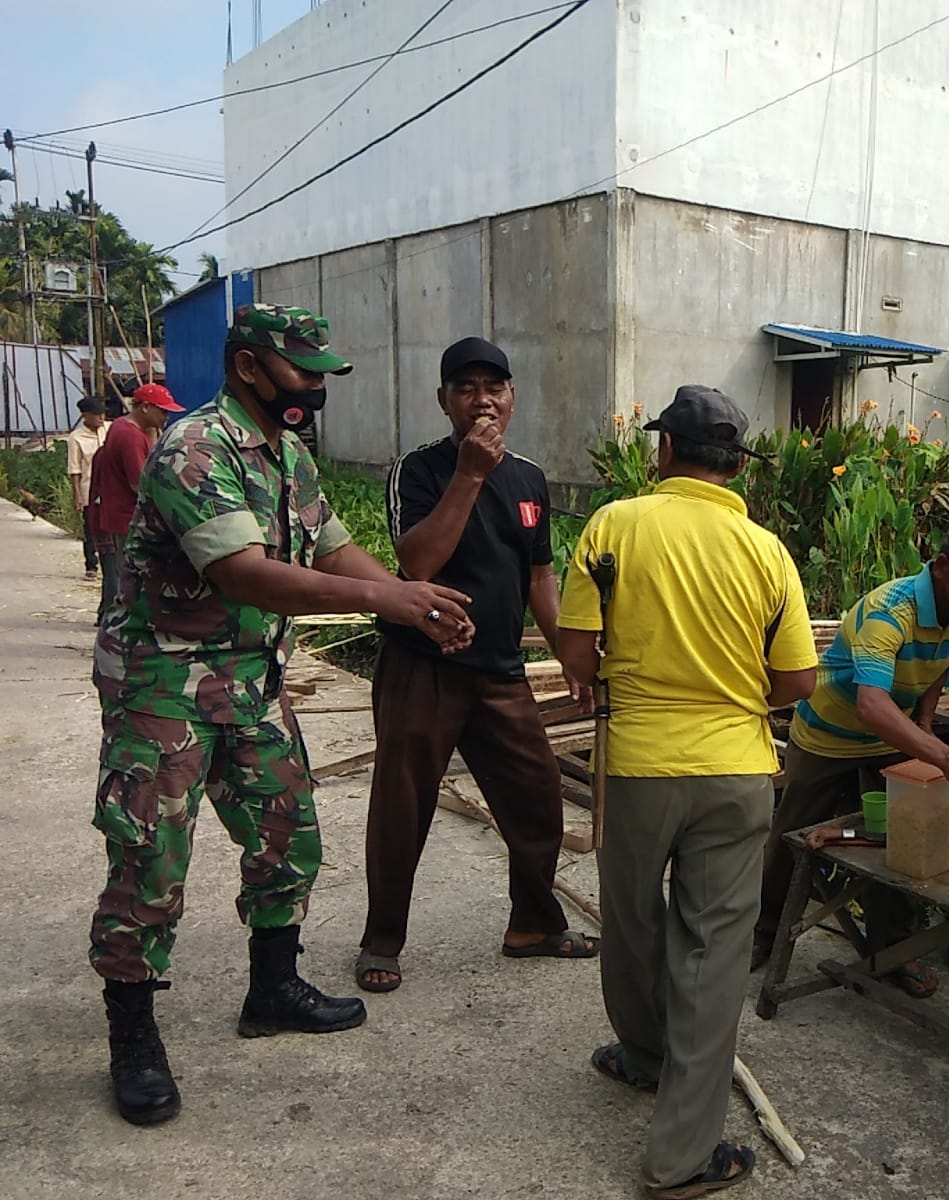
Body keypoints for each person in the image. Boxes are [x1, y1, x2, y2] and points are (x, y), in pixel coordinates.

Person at [90, 304, 477, 1128]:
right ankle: (133, 1036)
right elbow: (247, 575)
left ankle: (272, 989)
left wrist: (415, 607)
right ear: (249, 369)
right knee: (149, 862)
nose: (318, 385)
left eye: (323, 371)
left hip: (249, 681)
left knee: (287, 832)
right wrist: (391, 597)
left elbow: (333, 547)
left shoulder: (288, 453)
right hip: (164, 684)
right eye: (304, 370)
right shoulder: (194, 449)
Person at [556, 385, 817, 1200]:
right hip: (737, 769)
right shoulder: (768, 551)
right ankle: (680, 1158)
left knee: (632, 918)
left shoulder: (616, 526)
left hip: (636, 765)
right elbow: (797, 680)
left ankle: (642, 1056)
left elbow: (575, 645)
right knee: (712, 955)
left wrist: (609, 679)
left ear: (663, 451)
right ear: (738, 465)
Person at [353, 337, 596, 993]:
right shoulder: (422, 469)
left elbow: (541, 575)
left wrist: (572, 654)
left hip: (499, 670)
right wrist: (469, 474)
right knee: (404, 806)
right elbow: (418, 564)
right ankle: (382, 940)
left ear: (513, 398)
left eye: (495, 388)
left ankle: (533, 926)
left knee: (539, 798)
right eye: (466, 389)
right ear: (444, 401)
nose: (482, 400)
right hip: (422, 666)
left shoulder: (530, 477)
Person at [751, 515, 949, 996]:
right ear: (942, 566)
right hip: (828, 736)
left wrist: (926, 726)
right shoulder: (890, 610)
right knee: (791, 836)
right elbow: (872, 704)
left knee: (900, 841)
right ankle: (763, 932)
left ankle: (893, 950)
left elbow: (938, 666)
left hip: (895, 736)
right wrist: (945, 757)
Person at [88, 383, 183, 622]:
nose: (166, 416)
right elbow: (139, 483)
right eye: (162, 411)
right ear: (145, 408)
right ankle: (121, 622)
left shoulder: (122, 427)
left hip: (118, 512)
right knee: (128, 573)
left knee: (121, 571)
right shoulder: (130, 437)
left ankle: (115, 617)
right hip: (127, 515)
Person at [66, 395, 108, 581]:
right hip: (89, 486)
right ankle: (91, 565)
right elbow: (74, 468)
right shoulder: (76, 438)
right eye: (96, 415)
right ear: (85, 416)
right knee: (90, 527)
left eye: (102, 414)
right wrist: (77, 495)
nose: (101, 418)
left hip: (110, 486)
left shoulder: (111, 429)